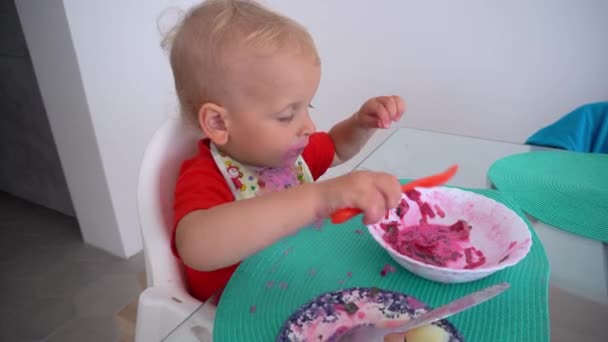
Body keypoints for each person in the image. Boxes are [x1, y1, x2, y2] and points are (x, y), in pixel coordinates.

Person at [167, 0, 405, 301]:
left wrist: (360, 123)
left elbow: (336, 148)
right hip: (243, 310)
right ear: (218, 122)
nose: (308, 126)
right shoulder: (204, 176)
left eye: (308, 106)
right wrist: (319, 199)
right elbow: (196, 246)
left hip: (299, 285)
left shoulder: (288, 155)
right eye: (286, 115)